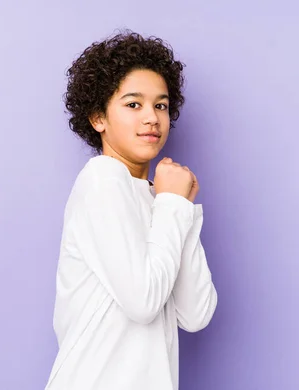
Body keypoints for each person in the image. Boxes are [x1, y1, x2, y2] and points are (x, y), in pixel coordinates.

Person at [45, 30, 217, 390]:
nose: (152, 118)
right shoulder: (102, 178)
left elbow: (195, 314)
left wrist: (179, 205)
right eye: (133, 104)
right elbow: (143, 302)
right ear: (98, 118)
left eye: (161, 105)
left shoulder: (160, 198)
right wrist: (172, 204)